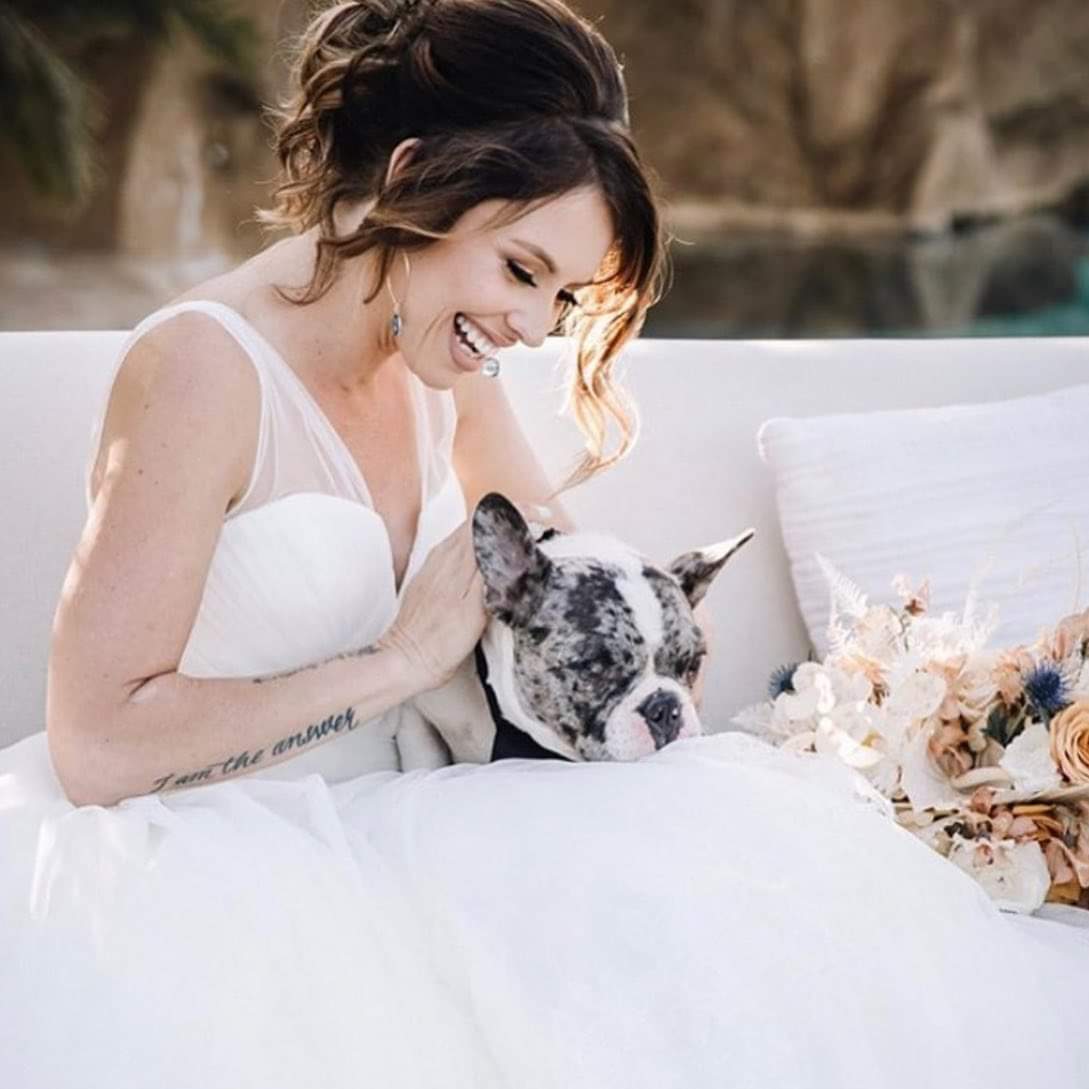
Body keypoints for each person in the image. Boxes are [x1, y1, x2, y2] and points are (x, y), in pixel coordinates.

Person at [1, 2, 1087, 1087]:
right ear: (412, 178)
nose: (533, 326)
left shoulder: (441, 360)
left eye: (562, 297)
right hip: (213, 867)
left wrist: (658, 635)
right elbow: (97, 746)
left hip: (426, 834)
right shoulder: (206, 370)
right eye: (522, 271)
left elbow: (563, 571)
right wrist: (393, 667)